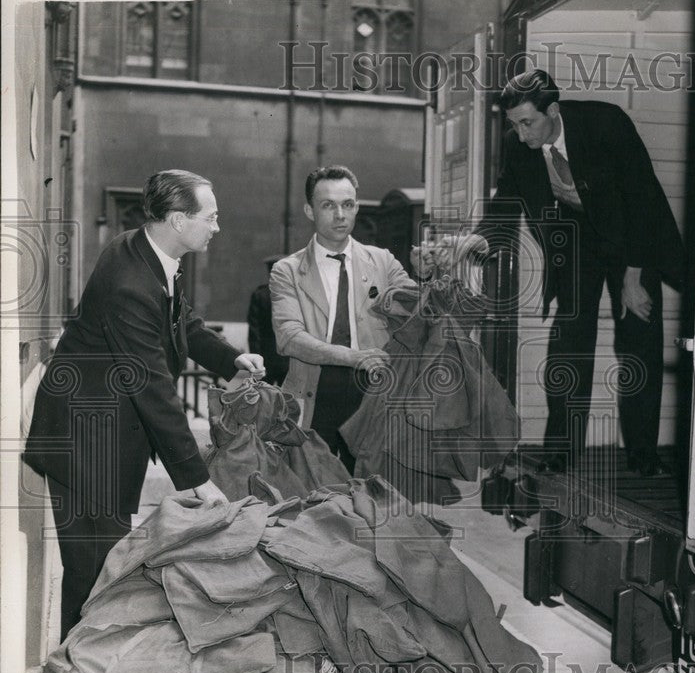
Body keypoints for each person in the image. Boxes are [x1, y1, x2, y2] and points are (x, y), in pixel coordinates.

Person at [23, 169, 265, 639]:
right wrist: (196, 479)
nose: (218, 227)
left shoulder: (148, 251)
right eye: (211, 218)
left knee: (106, 573)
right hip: (86, 444)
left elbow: (185, 324)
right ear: (178, 220)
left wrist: (232, 357)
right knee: (95, 576)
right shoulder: (130, 282)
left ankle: (87, 672)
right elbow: (153, 386)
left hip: (107, 435)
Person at [466, 69, 687, 476]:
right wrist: (471, 245)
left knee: (638, 340)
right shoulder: (519, 146)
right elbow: (503, 206)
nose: (521, 133)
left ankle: (642, 454)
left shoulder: (606, 123)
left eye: (527, 122)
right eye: (513, 124)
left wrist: (634, 276)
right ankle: (561, 451)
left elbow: (644, 197)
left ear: (552, 110)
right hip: (577, 240)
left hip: (631, 236)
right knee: (569, 341)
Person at [269, 165, 417, 474]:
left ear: (357, 207)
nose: (340, 214)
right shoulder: (288, 271)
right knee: (309, 496)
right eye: (328, 205)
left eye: (347, 205)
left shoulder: (383, 262)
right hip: (315, 395)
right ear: (310, 210)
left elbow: (417, 318)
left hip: (372, 397)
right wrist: (354, 357)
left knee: (373, 496)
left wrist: (425, 275)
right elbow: (289, 337)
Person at [246, 254, 289, 386]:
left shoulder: (260, 295)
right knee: (287, 400)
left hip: (265, 358)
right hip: (288, 358)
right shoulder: (294, 295)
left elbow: (254, 331)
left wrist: (255, 358)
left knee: (264, 399)